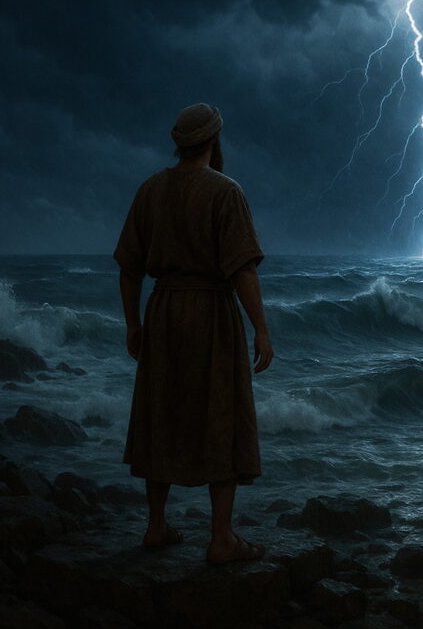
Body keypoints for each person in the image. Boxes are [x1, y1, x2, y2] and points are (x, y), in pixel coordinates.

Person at [113, 102, 273, 564]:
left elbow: (128, 268)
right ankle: (221, 537)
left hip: (163, 312)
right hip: (211, 314)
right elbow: (242, 269)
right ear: (214, 141)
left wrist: (133, 322)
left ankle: (156, 526)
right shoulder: (226, 192)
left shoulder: (150, 190)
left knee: (160, 410)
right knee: (221, 412)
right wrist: (261, 329)